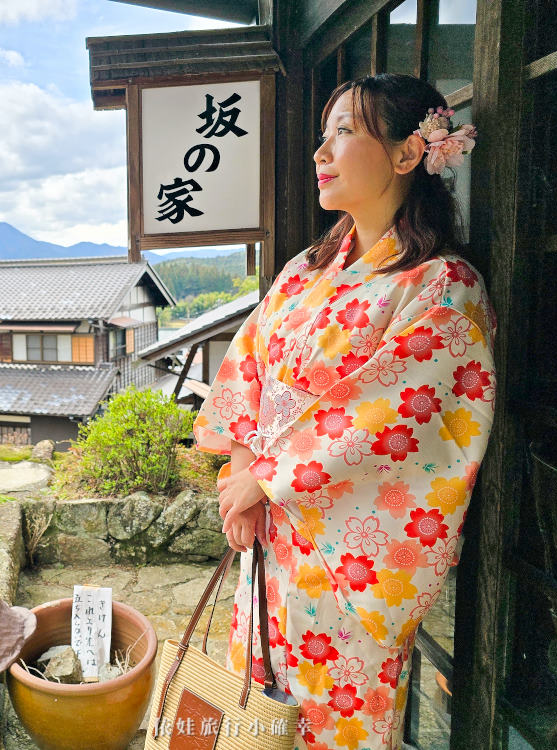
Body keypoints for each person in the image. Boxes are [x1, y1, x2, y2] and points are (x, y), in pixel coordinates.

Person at [193, 73, 495, 750]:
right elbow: (252, 372)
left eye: (345, 133)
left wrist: (265, 478)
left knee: (336, 726)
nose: (321, 153)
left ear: (408, 153)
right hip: (269, 540)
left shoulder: (443, 286)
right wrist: (243, 475)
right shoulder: (306, 270)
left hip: (344, 556)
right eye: (323, 135)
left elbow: (390, 418)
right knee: (259, 713)